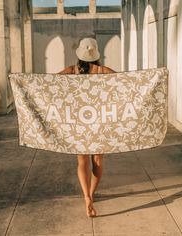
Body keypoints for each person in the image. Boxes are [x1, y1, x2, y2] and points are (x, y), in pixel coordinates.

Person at [58, 38, 115, 217]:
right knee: (97, 160)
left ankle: (86, 197)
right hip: (99, 121)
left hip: (78, 121)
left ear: (80, 54)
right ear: (96, 53)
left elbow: (47, 84)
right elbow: (127, 83)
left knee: (81, 160)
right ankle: (91, 194)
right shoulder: (103, 71)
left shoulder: (71, 71)